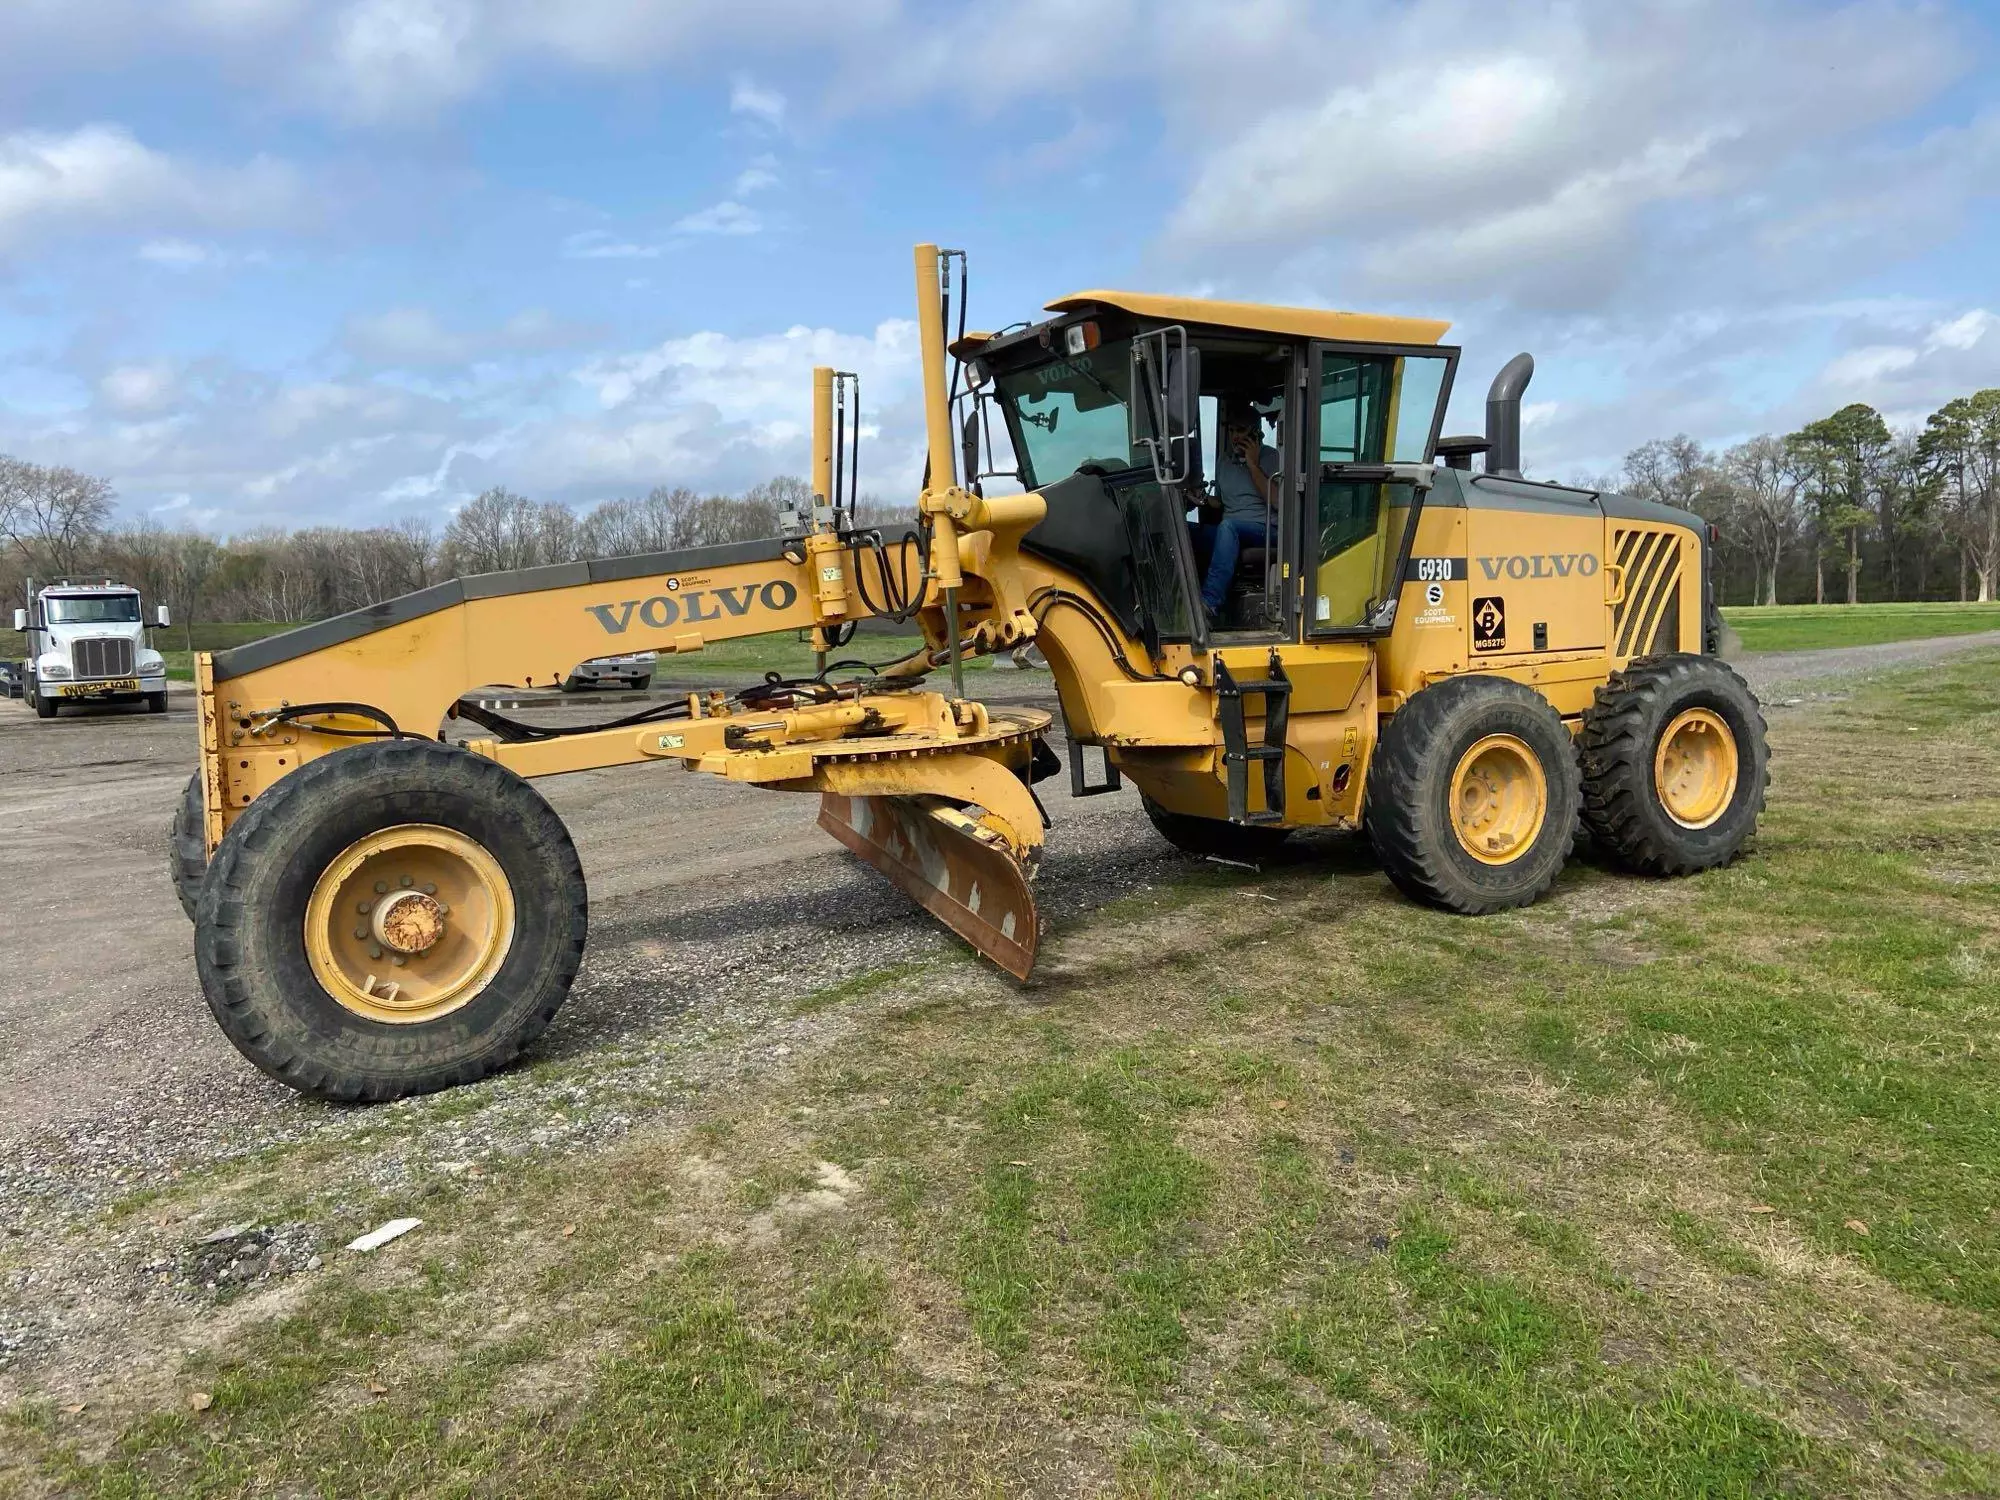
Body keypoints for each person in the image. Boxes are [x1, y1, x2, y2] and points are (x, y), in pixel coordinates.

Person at [1192, 405, 1279, 620]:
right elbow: (1220, 503)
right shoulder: (1224, 461)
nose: (1234, 437)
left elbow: (1277, 500)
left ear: (1255, 432)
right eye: (1231, 431)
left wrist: (1252, 464)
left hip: (1265, 529)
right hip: (1229, 530)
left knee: (1228, 527)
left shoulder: (1271, 457)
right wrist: (1199, 498)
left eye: (1240, 431)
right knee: (1184, 531)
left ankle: (1209, 604)